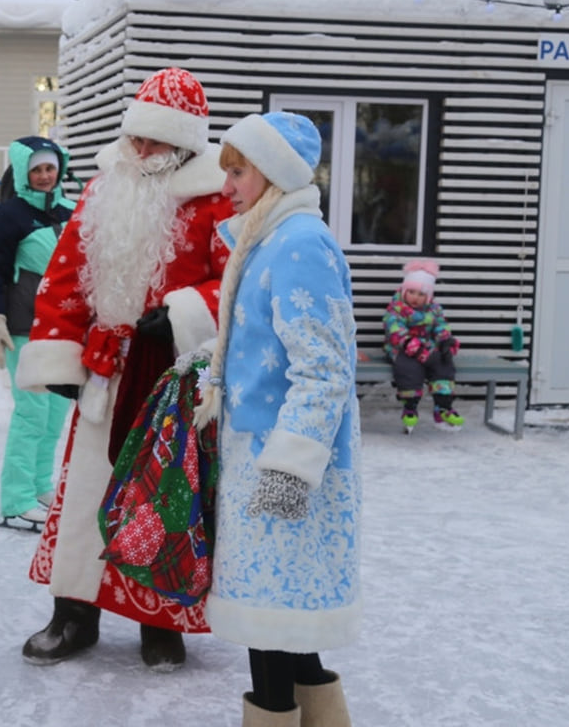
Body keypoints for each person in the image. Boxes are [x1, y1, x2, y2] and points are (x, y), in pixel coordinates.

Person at [13, 67, 232, 671]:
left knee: (164, 496)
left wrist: (186, 312)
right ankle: (74, 614)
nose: (139, 151)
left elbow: (237, 279)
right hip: (106, 371)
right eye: (135, 137)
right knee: (86, 491)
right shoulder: (105, 186)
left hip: (174, 375)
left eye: (154, 140)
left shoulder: (217, 199)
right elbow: (65, 274)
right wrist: (60, 352)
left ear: (185, 141)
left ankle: (158, 622)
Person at [199, 111, 360, 726]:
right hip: (259, 455)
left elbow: (323, 368)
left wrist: (289, 469)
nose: (228, 184)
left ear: (273, 173)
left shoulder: (299, 244)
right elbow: (257, 340)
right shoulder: (269, 237)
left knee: (271, 628)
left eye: (238, 171)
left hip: (286, 466)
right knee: (281, 624)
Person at [0, 136, 76, 529]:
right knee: (32, 412)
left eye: (49, 168)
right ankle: (16, 497)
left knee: (55, 412)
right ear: (23, 172)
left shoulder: (72, 210)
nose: (43, 175)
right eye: (36, 169)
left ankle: (39, 485)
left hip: (64, 326)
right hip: (24, 326)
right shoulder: (10, 216)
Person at [383, 258, 464, 432]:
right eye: (411, 292)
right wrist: (411, 345)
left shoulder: (433, 309)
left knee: (443, 362)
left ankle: (443, 406)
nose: (415, 298)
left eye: (421, 294)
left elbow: (440, 325)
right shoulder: (396, 309)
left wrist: (444, 340)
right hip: (402, 349)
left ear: (428, 297)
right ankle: (410, 406)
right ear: (404, 291)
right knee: (409, 367)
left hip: (427, 349)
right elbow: (395, 330)